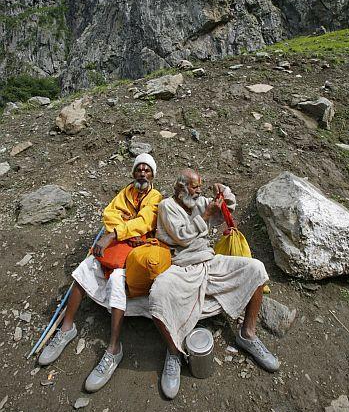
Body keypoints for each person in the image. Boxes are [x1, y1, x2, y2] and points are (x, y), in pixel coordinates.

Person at [149, 169, 279, 399]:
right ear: (180, 188)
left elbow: (228, 206)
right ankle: (173, 350)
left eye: (200, 186)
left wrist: (223, 191)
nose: (199, 190)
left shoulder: (201, 202)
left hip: (209, 261)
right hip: (181, 267)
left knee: (256, 269)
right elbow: (181, 236)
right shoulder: (167, 206)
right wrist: (207, 215)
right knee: (158, 292)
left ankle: (247, 334)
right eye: (194, 186)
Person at [39, 153, 162, 392]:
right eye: (139, 169)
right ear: (133, 173)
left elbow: (145, 222)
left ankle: (114, 349)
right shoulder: (124, 193)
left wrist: (116, 233)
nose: (143, 173)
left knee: (117, 278)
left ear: (153, 175)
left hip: (139, 251)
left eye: (147, 170)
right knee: (86, 267)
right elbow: (109, 215)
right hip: (120, 245)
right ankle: (66, 328)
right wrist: (125, 229)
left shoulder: (156, 197)